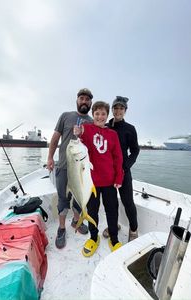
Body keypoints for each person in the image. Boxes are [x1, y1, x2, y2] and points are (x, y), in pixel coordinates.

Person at [74, 101, 124, 257]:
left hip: (109, 181)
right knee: (92, 211)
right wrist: (78, 132)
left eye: (103, 114)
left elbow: (118, 157)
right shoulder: (87, 129)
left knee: (112, 211)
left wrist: (119, 177)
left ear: (107, 115)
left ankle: (114, 239)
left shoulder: (113, 134)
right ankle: (93, 237)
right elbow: (79, 140)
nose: (100, 116)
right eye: (97, 113)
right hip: (91, 183)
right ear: (93, 115)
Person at [47, 88, 93, 249]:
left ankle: (76, 221)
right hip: (63, 167)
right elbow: (55, 139)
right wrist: (50, 157)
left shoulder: (92, 122)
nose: (84, 101)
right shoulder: (65, 116)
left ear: (90, 103)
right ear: (77, 100)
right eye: (82, 98)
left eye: (87, 99)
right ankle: (61, 228)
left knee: (80, 198)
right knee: (63, 199)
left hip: (81, 168)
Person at [102, 96, 140, 242]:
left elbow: (135, 151)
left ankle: (134, 228)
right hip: (107, 173)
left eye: (121, 108)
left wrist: (126, 166)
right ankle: (114, 226)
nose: (118, 111)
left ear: (125, 111)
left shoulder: (130, 129)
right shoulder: (105, 127)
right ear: (111, 109)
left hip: (123, 172)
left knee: (127, 202)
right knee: (111, 204)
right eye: (116, 108)